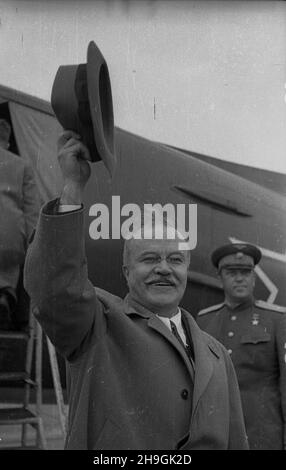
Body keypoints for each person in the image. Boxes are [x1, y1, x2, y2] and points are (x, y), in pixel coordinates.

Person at [24, 130, 248, 450]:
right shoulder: (97, 325)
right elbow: (54, 288)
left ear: (186, 270)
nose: (164, 268)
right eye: (149, 259)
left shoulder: (215, 353)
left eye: (175, 260)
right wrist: (73, 188)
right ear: (126, 273)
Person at [197, 243, 286, 450]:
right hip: (217, 435)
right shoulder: (204, 321)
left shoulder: (277, 319)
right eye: (231, 273)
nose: (239, 278)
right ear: (220, 278)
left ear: (254, 278)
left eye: (246, 272)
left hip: (263, 435)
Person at [0, 118, 39, 329]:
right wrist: (32, 245)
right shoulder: (21, 165)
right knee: (9, 262)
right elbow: (32, 211)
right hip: (10, 235)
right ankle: (5, 295)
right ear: (6, 143)